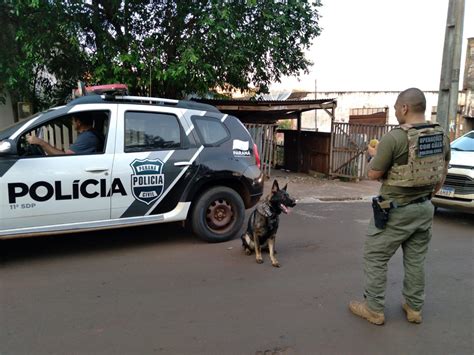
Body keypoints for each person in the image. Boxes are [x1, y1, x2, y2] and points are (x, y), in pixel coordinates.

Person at [349, 88, 451, 325]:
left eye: (396, 108)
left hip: (395, 210)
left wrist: (373, 155)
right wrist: (426, 194)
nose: (395, 112)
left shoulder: (394, 138)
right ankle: (414, 308)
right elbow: (441, 175)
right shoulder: (441, 136)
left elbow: (374, 173)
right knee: (415, 260)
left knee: (375, 256)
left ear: (404, 108)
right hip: (425, 208)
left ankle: (373, 309)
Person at [27, 114, 103, 155]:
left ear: (78, 122)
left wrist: (41, 143)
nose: (72, 123)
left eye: (73, 120)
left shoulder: (87, 137)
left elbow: (64, 157)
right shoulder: (90, 134)